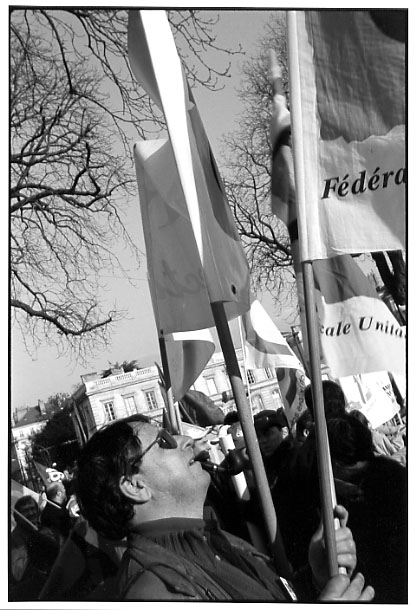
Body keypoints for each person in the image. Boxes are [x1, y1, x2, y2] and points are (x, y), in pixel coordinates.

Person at [75, 414, 374, 601]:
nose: (186, 439)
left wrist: (314, 579)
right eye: (164, 441)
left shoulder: (215, 539)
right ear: (135, 486)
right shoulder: (155, 592)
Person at [10, 495, 60, 601]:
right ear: (18, 516)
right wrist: (36, 542)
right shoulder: (15, 538)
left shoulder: (41, 528)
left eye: (33, 508)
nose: (31, 513)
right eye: (26, 511)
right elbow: (18, 572)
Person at [41, 480, 73, 544]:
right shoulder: (58, 513)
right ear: (59, 493)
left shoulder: (46, 512)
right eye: (64, 489)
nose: (65, 491)